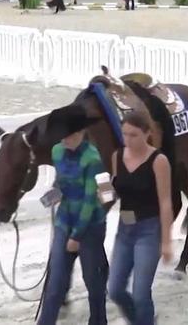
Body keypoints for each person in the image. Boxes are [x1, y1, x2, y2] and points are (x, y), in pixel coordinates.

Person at [38, 125, 109, 325]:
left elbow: (89, 201)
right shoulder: (57, 151)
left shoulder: (92, 159)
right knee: (55, 284)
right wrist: (53, 194)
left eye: (67, 135)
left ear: (80, 133)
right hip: (64, 221)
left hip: (90, 226)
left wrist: (77, 235)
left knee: (93, 283)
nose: (63, 139)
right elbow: (61, 181)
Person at [108, 111, 173, 325]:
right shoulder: (117, 156)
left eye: (133, 135)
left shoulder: (158, 160)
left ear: (147, 134)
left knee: (141, 293)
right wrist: (105, 192)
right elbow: (116, 191)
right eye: (125, 134)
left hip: (149, 230)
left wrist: (166, 241)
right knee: (115, 289)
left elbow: (165, 202)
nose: (128, 140)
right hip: (125, 227)